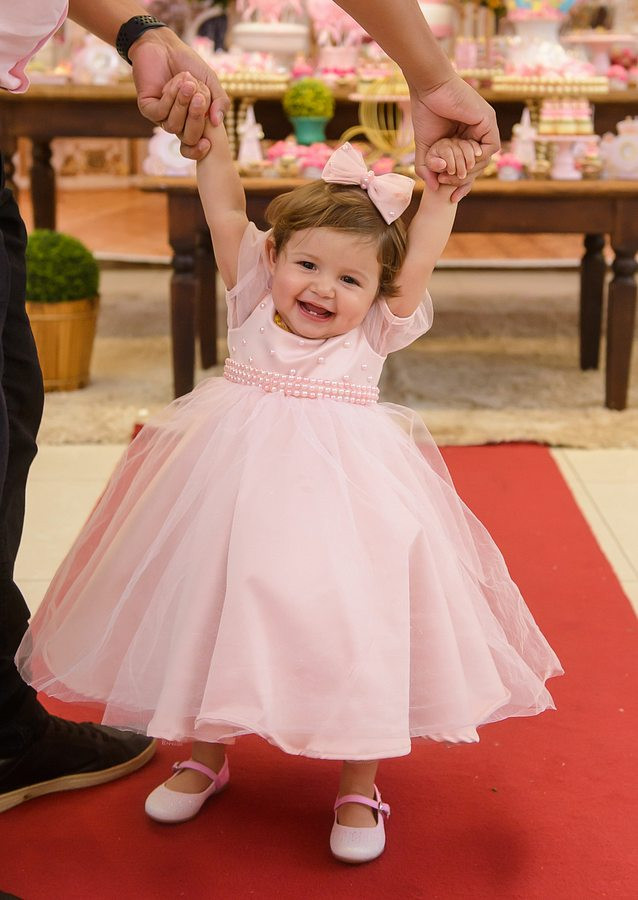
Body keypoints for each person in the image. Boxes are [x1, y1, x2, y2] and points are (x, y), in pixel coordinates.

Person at [16, 113, 562, 864]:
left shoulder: (375, 327)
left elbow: (422, 252)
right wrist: (212, 149)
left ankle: (359, 782)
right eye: (307, 265)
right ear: (272, 257)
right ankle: (206, 754)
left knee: (358, 625)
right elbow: (224, 210)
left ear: (379, 290)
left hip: (347, 505)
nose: (323, 289)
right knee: (214, 607)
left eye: (350, 279)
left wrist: (442, 198)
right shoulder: (251, 295)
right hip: (234, 491)